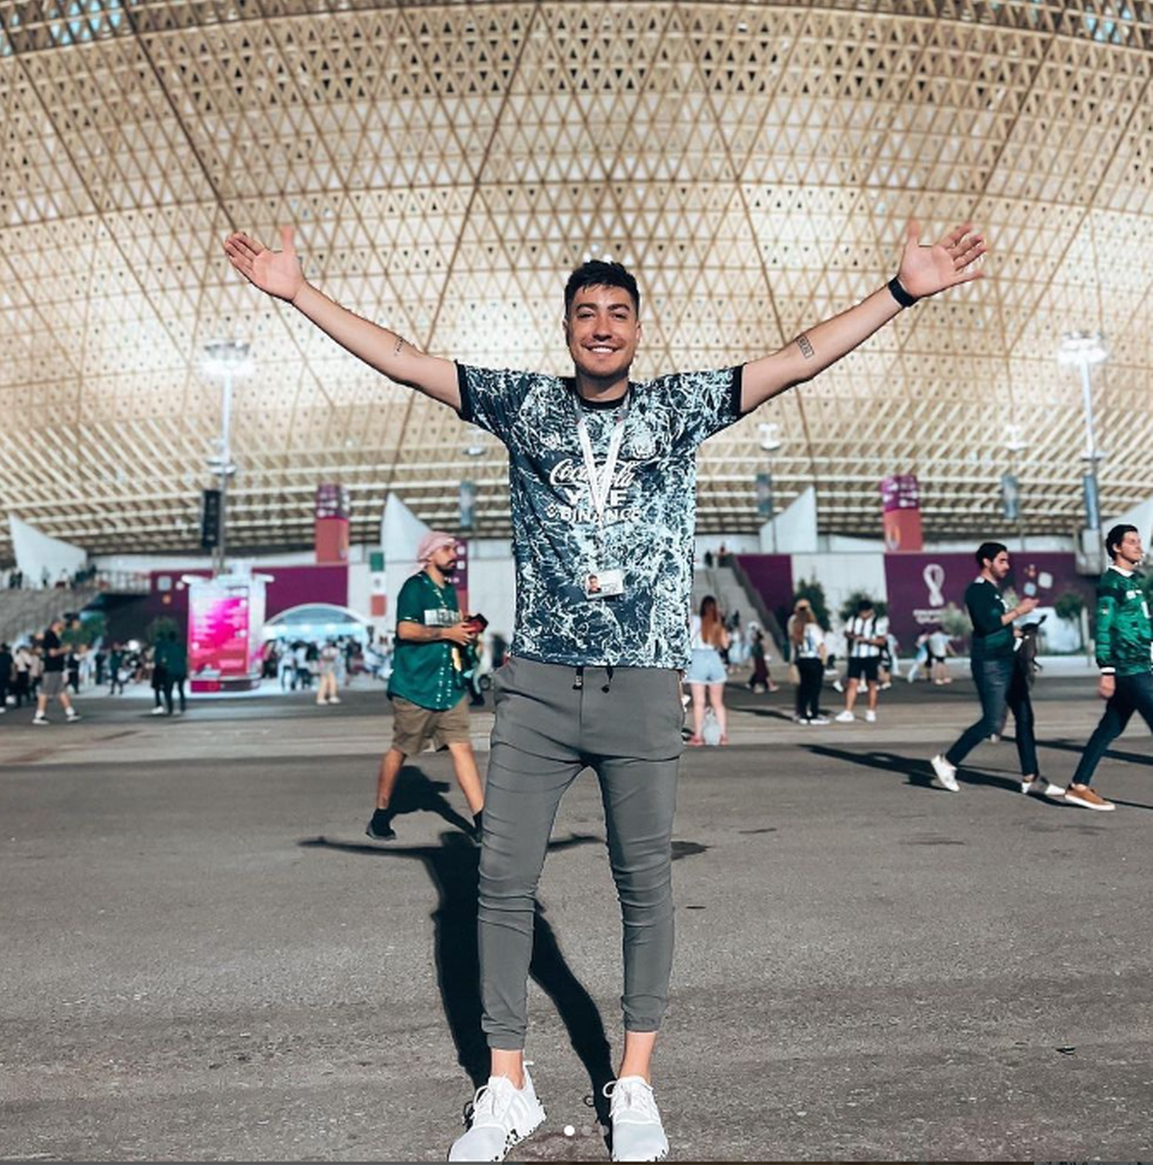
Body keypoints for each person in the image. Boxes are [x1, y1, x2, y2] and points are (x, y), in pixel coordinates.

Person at [225, 216, 985, 1163]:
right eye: (585, 312)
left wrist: (903, 290)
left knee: (644, 885)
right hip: (539, 682)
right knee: (499, 881)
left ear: (638, 328)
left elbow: (797, 359)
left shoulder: (680, 408)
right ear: (566, 328)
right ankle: (507, 1089)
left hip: (641, 681)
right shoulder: (522, 404)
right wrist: (298, 293)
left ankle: (635, 1082)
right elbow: (406, 360)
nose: (601, 325)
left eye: (617, 312)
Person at [365, 532, 483, 841]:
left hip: (449, 686)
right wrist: (446, 632)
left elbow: (449, 629)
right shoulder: (414, 588)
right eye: (446, 549)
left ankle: (483, 822)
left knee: (463, 748)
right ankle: (380, 815)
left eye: (454, 549)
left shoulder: (449, 592)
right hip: (416, 686)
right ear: (429, 556)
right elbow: (405, 630)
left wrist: (464, 628)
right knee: (402, 749)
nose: (453, 553)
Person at [929, 542, 1062, 798]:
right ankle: (947, 761)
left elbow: (998, 627)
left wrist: (1018, 630)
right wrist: (1019, 611)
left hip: (1007, 660)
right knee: (992, 721)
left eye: (1007, 560)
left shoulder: (994, 592)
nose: (1007, 565)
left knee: (1024, 716)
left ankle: (1031, 777)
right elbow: (988, 624)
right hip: (990, 663)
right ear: (987, 562)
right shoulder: (977, 591)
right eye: (1002, 560)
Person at [1060, 524, 1153, 812]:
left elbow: (1139, 626)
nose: (1139, 546)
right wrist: (1107, 671)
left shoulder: (1134, 581)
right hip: (1129, 668)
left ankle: (1078, 786)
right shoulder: (1111, 582)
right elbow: (1103, 627)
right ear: (1116, 547)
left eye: (1139, 541)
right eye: (1132, 542)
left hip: (1140, 664)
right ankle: (1079, 786)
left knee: (1109, 728)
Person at [687, 595, 729, 745]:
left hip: (697, 658)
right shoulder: (717, 623)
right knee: (718, 702)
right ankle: (723, 735)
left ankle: (698, 736)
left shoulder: (695, 620)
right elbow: (725, 645)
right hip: (714, 658)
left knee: (699, 702)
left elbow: (688, 636)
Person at [836, 599, 886, 723]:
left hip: (871, 656)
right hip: (855, 655)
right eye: (861, 612)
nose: (863, 614)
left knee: (871, 684)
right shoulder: (853, 620)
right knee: (852, 682)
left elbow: (882, 641)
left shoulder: (877, 622)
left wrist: (868, 640)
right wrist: (853, 637)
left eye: (865, 612)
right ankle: (848, 711)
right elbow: (847, 633)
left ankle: (871, 711)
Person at [788, 598, 828, 725]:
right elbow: (820, 645)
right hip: (813, 659)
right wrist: (824, 661)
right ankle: (814, 714)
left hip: (802, 659)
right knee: (815, 689)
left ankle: (803, 714)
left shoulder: (796, 627)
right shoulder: (813, 627)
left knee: (804, 688)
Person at [32, 620, 79, 725]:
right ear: (56, 624)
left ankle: (70, 712)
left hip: (56, 668)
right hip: (51, 668)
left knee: (61, 691)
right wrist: (65, 649)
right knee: (45, 692)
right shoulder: (50, 636)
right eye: (61, 624)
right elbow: (51, 653)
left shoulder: (54, 636)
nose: (63, 626)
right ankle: (39, 715)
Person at [155, 626, 188, 716]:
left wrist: (164, 666)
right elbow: (185, 658)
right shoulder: (181, 646)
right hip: (181, 671)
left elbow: (163, 659)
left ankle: (170, 708)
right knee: (181, 689)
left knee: (168, 690)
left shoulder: (167, 647)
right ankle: (182, 705)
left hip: (171, 671)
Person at [746, 623, 777, 693]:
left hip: (759, 654)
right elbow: (758, 643)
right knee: (761, 671)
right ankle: (759, 686)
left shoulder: (755, 636)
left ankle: (769, 685)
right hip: (758, 655)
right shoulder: (753, 636)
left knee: (763, 671)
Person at [316, 639, 341, 706]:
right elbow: (330, 658)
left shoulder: (324, 649)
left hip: (326, 667)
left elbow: (323, 658)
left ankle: (323, 697)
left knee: (326, 682)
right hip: (327, 667)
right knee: (330, 682)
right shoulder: (333, 650)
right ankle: (330, 696)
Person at [0, 642, 15, 712]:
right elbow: (12, 666)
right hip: (6, 674)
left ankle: (2, 703)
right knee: (6, 687)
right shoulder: (9, 656)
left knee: (0, 689)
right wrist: (13, 674)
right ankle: (4, 700)